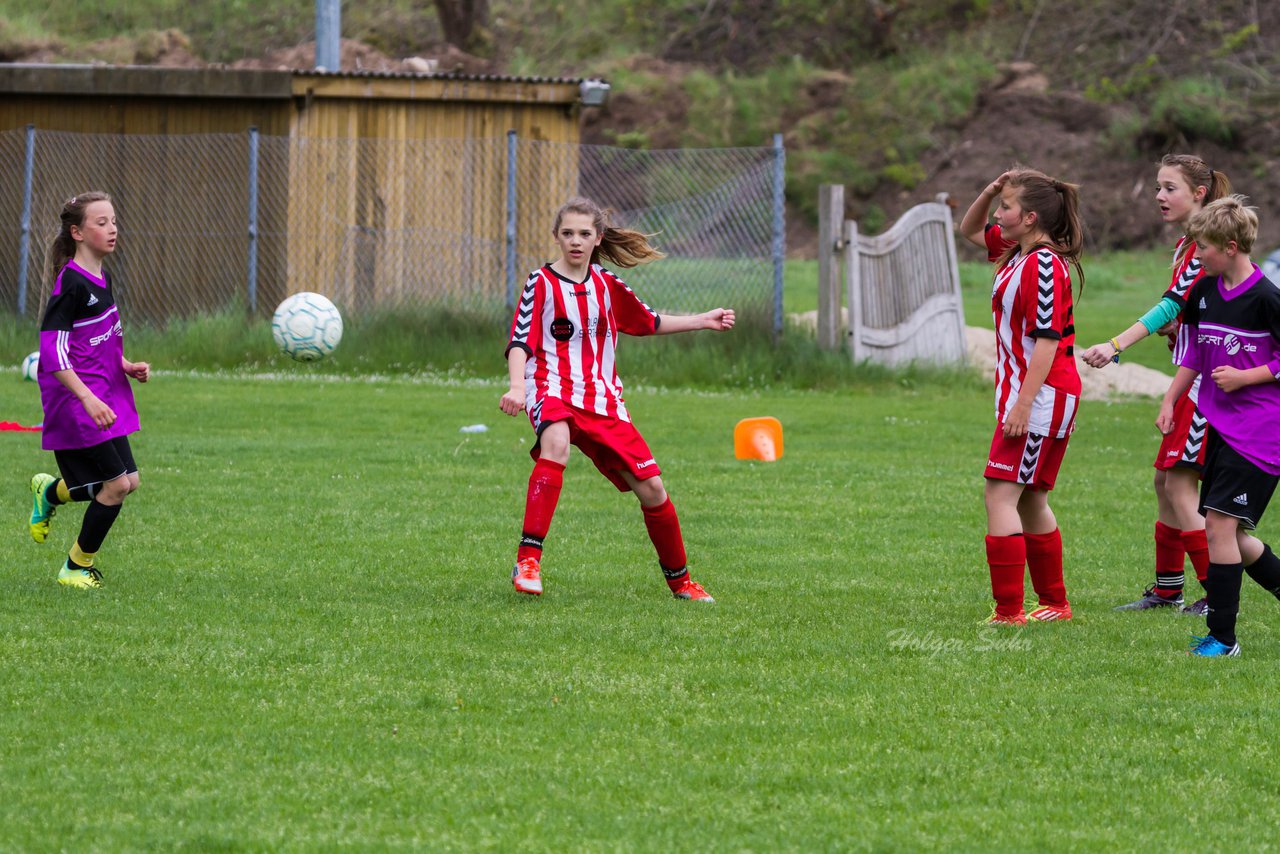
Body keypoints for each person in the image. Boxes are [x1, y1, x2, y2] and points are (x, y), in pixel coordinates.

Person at [499, 196, 734, 600]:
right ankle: (528, 561)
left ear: (598, 238)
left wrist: (703, 320)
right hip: (550, 385)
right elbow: (521, 340)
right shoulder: (540, 283)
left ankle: (682, 583)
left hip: (603, 401)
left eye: (584, 234)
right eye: (568, 233)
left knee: (653, 490)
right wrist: (518, 386)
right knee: (556, 443)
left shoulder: (608, 286)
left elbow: (649, 321)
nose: (576, 241)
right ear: (556, 237)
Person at [1081, 155, 1232, 614]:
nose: (1160, 197)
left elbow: (1171, 304)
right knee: (1164, 481)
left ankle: (1214, 594)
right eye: (1157, 188)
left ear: (1199, 193)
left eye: (1170, 188)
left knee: (1180, 487)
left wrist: (1115, 344)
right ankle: (1169, 588)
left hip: (1205, 386)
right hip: (1193, 379)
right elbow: (1189, 312)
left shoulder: (1204, 244)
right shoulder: (1189, 246)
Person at [1155, 196, 1280, 657]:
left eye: (1203, 246)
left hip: (1262, 433)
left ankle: (1222, 638)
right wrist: (1171, 398)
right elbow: (1196, 355)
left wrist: (1248, 376)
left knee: (1220, 530)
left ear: (1230, 247)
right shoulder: (1206, 292)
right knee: (1231, 533)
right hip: (1221, 428)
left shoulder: (1267, 298)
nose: (1197, 254)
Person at [959, 168, 1085, 624]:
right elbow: (969, 229)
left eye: (1006, 207)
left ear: (1030, 217)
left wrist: (1024, 403)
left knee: (999, 495)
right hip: (1034, 395)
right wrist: (992, 187)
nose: (998, 213)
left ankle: (1010, 611)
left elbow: (1048, 342)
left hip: (1042, 396)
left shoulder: (1045, 265)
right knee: (1030, 499)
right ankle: (1054, 604)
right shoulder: (1016, 253)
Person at [27, 192, 149, 589]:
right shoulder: (71, 286)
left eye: (113, 220)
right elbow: (54, 351)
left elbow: (97, 340)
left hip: (102, 393)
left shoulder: (102, 278)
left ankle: (51, 492)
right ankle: (75, 567)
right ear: (77, 232)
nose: (111, 228)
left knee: (130, 481)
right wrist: (87, 397)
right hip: (78, 401)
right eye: (101, 222)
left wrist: (124, 364)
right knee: (115, 486)